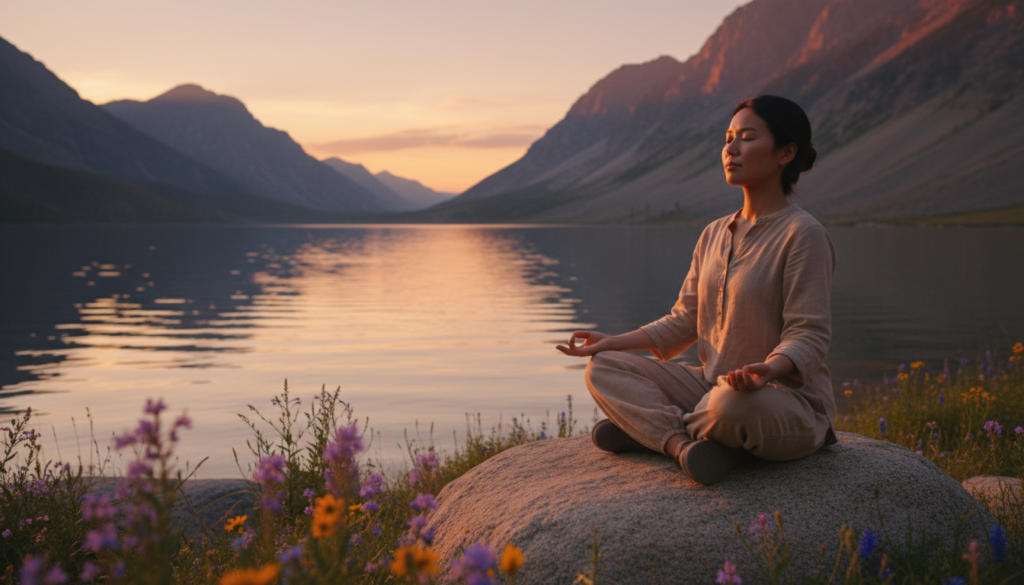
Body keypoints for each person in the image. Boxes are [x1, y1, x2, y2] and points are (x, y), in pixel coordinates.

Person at [556, 95, 836, 486]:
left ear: (785, 153)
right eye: (728, 138)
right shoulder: (713, 234)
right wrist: (613, 342)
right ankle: (679, 445)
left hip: (780, 398)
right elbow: (683, 320)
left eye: (747, 138)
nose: (731, 149)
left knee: (727, 407)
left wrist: (768, 369)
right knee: (604, 366)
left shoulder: (803, 234)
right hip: (711, 385)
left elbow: (809, 334)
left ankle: (647, 430)